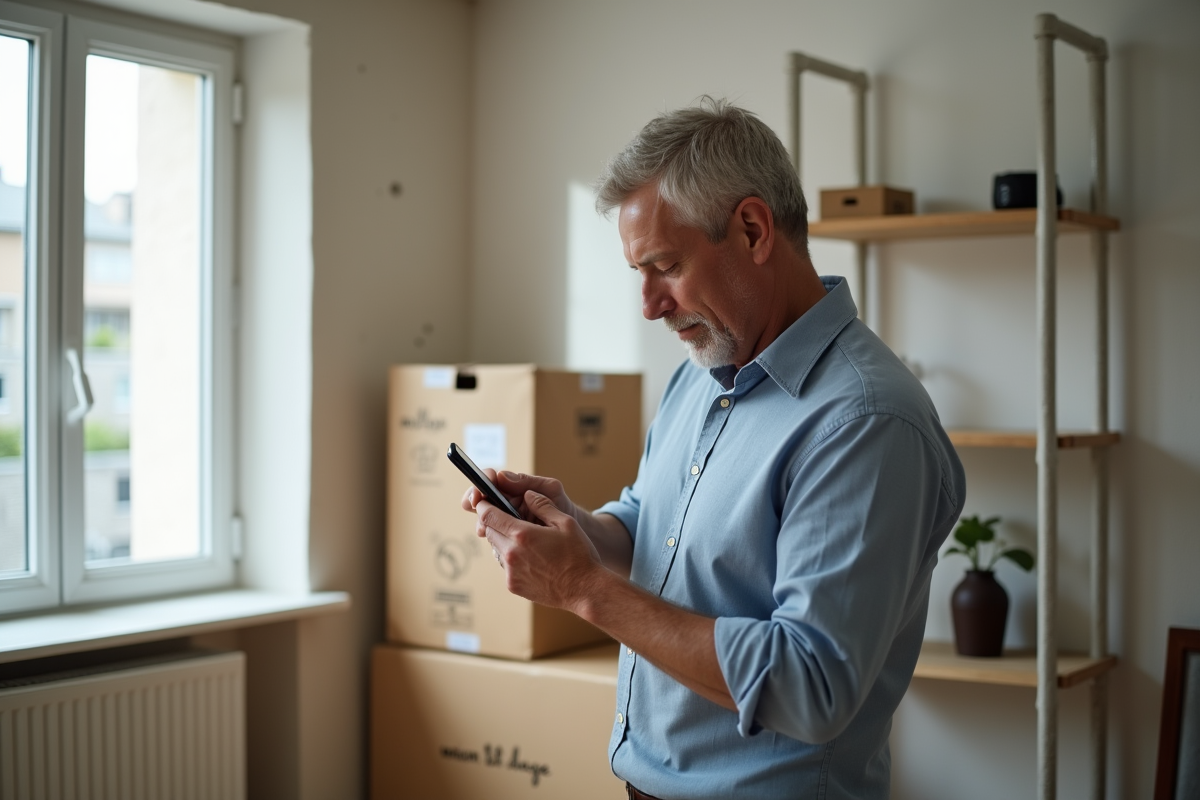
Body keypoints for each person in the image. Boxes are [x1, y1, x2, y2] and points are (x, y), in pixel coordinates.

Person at [462, 97, 966, 800]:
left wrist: (581, 588)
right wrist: (571, 526)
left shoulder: (865, 421)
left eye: (664, 266)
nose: (648, 304)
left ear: (754, 230)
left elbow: (810, 683)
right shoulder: (699, 379)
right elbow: (650, 530)